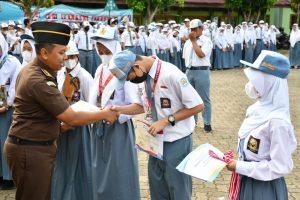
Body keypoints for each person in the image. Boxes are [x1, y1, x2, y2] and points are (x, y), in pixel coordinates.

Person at [3, 21, 119, 200]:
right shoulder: (38, 79)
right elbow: (71, 117)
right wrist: (104, 114)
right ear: (44, 53)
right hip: (31, 150)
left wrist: (59, 127)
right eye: (61, 52)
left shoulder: (33, 70)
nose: (65, 57)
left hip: (32, 147)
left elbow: (39, 114)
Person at [109, 50, 204, 200]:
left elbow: (197, 106)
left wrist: (166, 120)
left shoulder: (171, 74)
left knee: (178, 189)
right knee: (158, 190)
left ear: (137, 66)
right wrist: (119, 110)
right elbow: (142, 106)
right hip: (154, 143)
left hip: (176, 141)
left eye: (129, 77)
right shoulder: (142, 77)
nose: (129, 81)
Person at [227, 50, 297, 200]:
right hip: (246, 180)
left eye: (258, 79)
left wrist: (239, 166)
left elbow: (281, 166)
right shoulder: (256, 109)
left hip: (264, 188)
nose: (252, 84)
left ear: (270, 82)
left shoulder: (277, 122)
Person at [89, 26, 141, 200]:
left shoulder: (124, 70)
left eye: (107, 50)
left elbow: (138, 105)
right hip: (98, 126)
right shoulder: (100, 70)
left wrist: (117, 112)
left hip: (117, 129)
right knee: (100, 171)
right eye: (100, 50)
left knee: (120, 172)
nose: (103, 54)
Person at [51, 40, 94, 200]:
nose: (68, 59)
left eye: (71, 56)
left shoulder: (85, 77)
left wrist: (75, 120)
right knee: (62, 163)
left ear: (78, 56)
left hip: (79, 127)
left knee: (80, 164)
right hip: (61, 126)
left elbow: (90, 105)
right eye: (65, 56)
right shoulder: (59, 74)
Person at [183, 19, 213, 132]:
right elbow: (185, 58)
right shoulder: (188, 42)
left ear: (201, 28)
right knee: (189, 98)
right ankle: (192, 122)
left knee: (204, 99)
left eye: (195, 29)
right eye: (191, 29)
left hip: (202, 71)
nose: (193, 31)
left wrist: (193, 41)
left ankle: (207, 124)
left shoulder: (206, 41)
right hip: (189, 71)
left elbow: (201, 55)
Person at [0, 33, 22, 190]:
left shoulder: (13, 62)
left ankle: (9, 177)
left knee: (6, 142)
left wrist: (7, 104)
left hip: (7, 109)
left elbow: (16, 85)